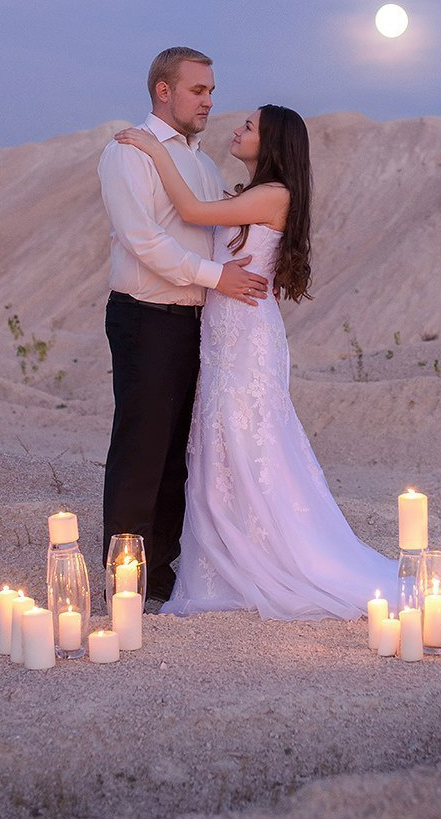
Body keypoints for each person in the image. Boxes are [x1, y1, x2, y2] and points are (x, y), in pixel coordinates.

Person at [114, 104, 397, 620]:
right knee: (218, 440)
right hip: (223, 330)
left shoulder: (273, 194)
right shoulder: (249, 194)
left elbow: (194, 213)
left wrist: (155, 149)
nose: (238, 130)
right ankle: (225, 555)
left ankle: (266, 553)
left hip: (246, 336)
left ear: (270, 145)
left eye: (250, 127)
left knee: (245, 438)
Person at [98, 47, 268, 600]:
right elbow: (144, 241)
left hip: (196, 323)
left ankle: (162, 571)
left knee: (179, 453)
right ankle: (125, 579)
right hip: (144, 317)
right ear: (163, 91)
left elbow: (209, 220)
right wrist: (217, 276)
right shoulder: (128, 153)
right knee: (142, 447)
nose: (210, 101)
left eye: (212, 91)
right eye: (199, 90)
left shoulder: (201, 162)